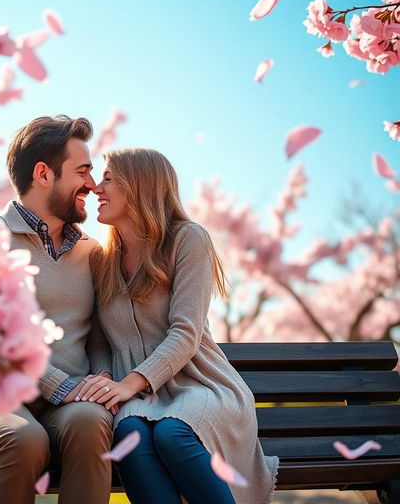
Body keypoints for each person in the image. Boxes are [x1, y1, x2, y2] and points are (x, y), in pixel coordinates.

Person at [77, 147, 279, 504]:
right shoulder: (101, 261)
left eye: (108, 178)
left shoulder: (188, 239)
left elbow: (185, 333)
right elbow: (98, 344)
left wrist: (129, 384)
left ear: (139, 184)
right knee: (130, 435)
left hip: (199, 384)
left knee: (173, 433)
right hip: (135, 394)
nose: (97, 188)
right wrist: (107, 379)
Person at [0, 115, 114, 504]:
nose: (92, 185)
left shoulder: (92, 253)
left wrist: (102, 379)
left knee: (93, 422)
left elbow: (100, 337)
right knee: (23, 438)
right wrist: (59, 386)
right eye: (83, 171)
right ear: (43, 174)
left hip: (69, 407)